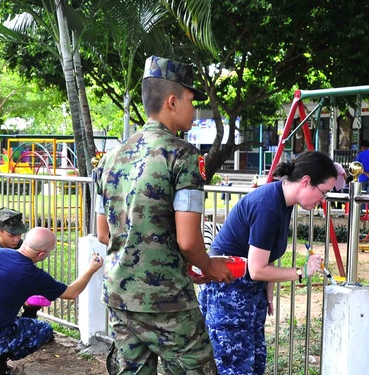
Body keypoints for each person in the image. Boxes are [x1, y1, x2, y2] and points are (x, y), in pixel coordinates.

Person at [95, 55, 233, 375]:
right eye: (190, 100)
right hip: (166, 301)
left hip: (120, 295)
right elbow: (188, 241)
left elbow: (103, 233)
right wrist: (209, 265)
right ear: (172, 101)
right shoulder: (183, 156)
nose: (193, 108)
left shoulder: (109, 159)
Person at [198, 150, 336, 375]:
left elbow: (266, 254)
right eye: (324, 192)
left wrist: (267, 292)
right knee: (234, 366)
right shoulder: (268, 206)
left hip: (246, 289)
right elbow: (257, 268)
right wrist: (302, 271)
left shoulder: (282, 200)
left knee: (254, 362)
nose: (323, 200)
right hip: (228, 289)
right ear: (306, 181)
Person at [0, 227, 103, 375]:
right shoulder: (32, 274)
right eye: (51, 250)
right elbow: (72, 292)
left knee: (18, 315)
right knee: (44, 330)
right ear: (42, 254)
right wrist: (91, 269)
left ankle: (21, 322)